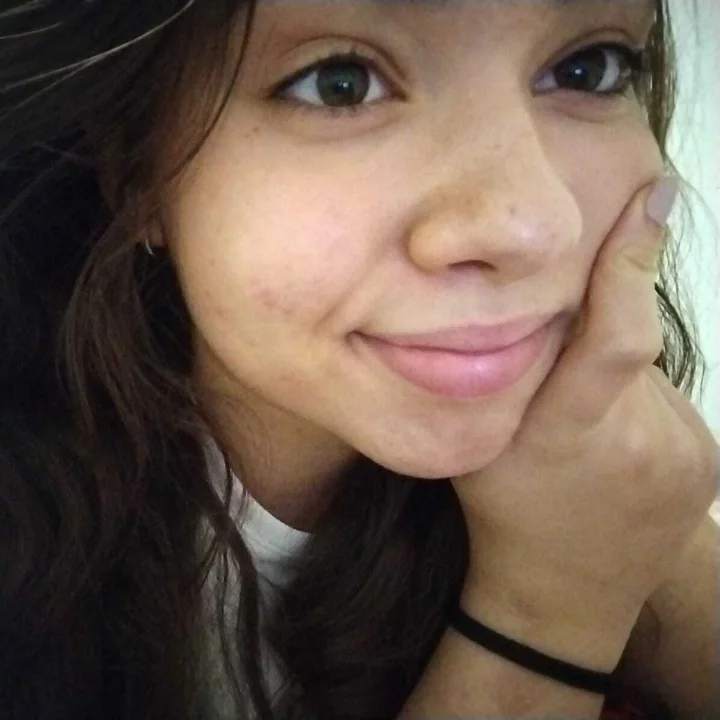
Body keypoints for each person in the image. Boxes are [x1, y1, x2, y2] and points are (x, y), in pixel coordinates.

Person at [1, 1, 718, 718]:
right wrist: (543, 615)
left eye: (589, 70)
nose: (531, 228)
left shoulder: (595, 476)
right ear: (135, 169)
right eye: (339, 83)